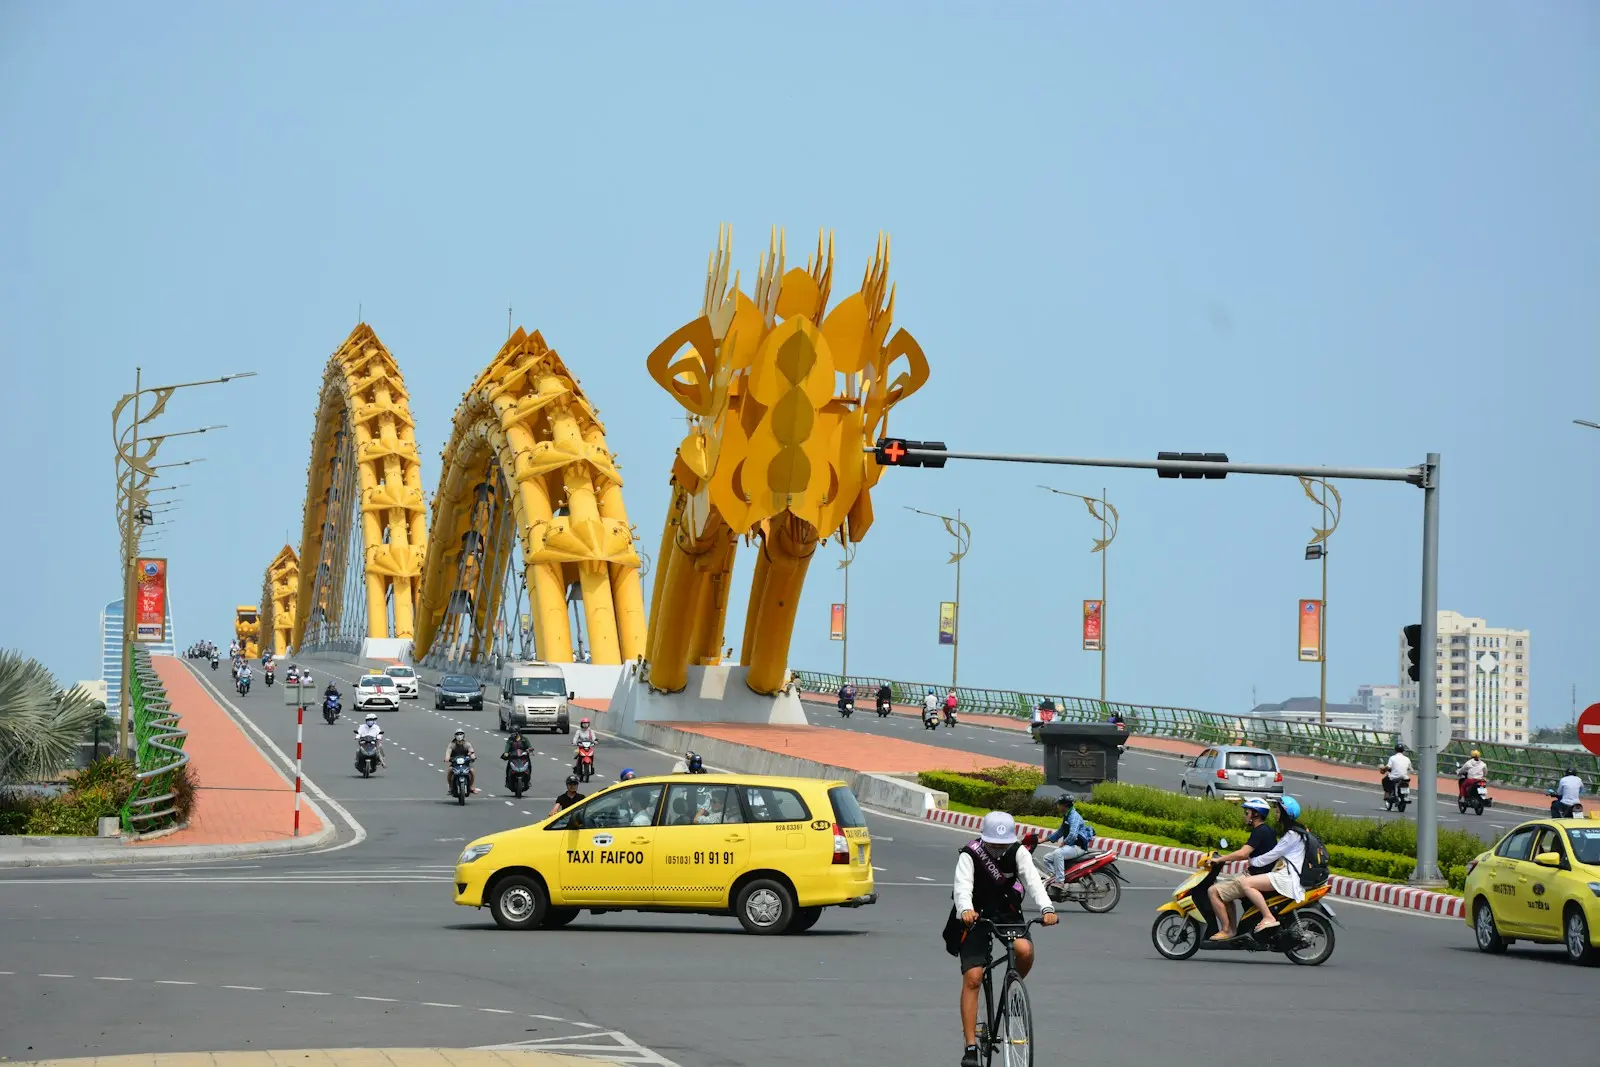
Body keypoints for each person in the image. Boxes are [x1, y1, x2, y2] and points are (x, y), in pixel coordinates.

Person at [954, 811, 1057, 1067]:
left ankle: (1011, 991)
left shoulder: (1018, 852)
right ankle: (970, 1046)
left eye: (1003, 844)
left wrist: (1047, 908)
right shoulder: (971, 854)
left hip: (1007, 913)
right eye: (994, 843)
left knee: (1024, 950)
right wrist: (965, 910)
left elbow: (1033, 881)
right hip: (975, 915)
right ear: (984, 839)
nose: (999, 848)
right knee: (974, 977)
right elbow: (962, 887)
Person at [1214, 796, 1307, 939]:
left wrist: (1252, 862)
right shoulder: (1293, 831)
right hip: (1284, 873)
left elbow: (1272, 855)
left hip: (1287, 877)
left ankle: (1267, 917)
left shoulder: (1290, 834)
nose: (1276, 814)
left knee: (1244, 883)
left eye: (1278, 811)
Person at [1206, 797, 1279, 938]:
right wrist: (1228, 861)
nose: (1245, 816)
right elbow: (1255, 853)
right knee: (1225, 890)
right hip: (1260, 875)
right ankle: (1232, 928)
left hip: (1252, 877)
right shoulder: (1267, 830)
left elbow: (1243, 853)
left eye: (1247, 813)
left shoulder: (1259, 831)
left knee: (1213, 891)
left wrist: (1220, 859)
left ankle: (1227, 930)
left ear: (1256, 814)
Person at [1040, 794, 1095, 884]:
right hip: (1070, 847)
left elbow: (1073, 835)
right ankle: (1055, 878)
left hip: (1077, 847)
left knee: (1058, 853)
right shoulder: (1067, 815)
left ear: (1064, 806)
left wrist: (1064, 843)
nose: (1057, 806)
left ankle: (1060, 882)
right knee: (1047, 858)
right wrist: (1042, 840)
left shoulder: (1074, 817)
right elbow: (1060, 832)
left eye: (1059, 804)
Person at [444, 729, 477, 795]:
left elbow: (471, 751)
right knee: (450, 770)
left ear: (463, 735)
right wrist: (447, 758)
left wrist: (472, 757)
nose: (459, 736)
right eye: (457, 734)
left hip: (465, 763)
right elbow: (448, 752)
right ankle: (450, 787)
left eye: (460, 734)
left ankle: (471, 786)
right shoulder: (452, 744)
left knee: (472, 771)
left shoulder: (467, 744)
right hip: (455, 763)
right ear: (455, 736)